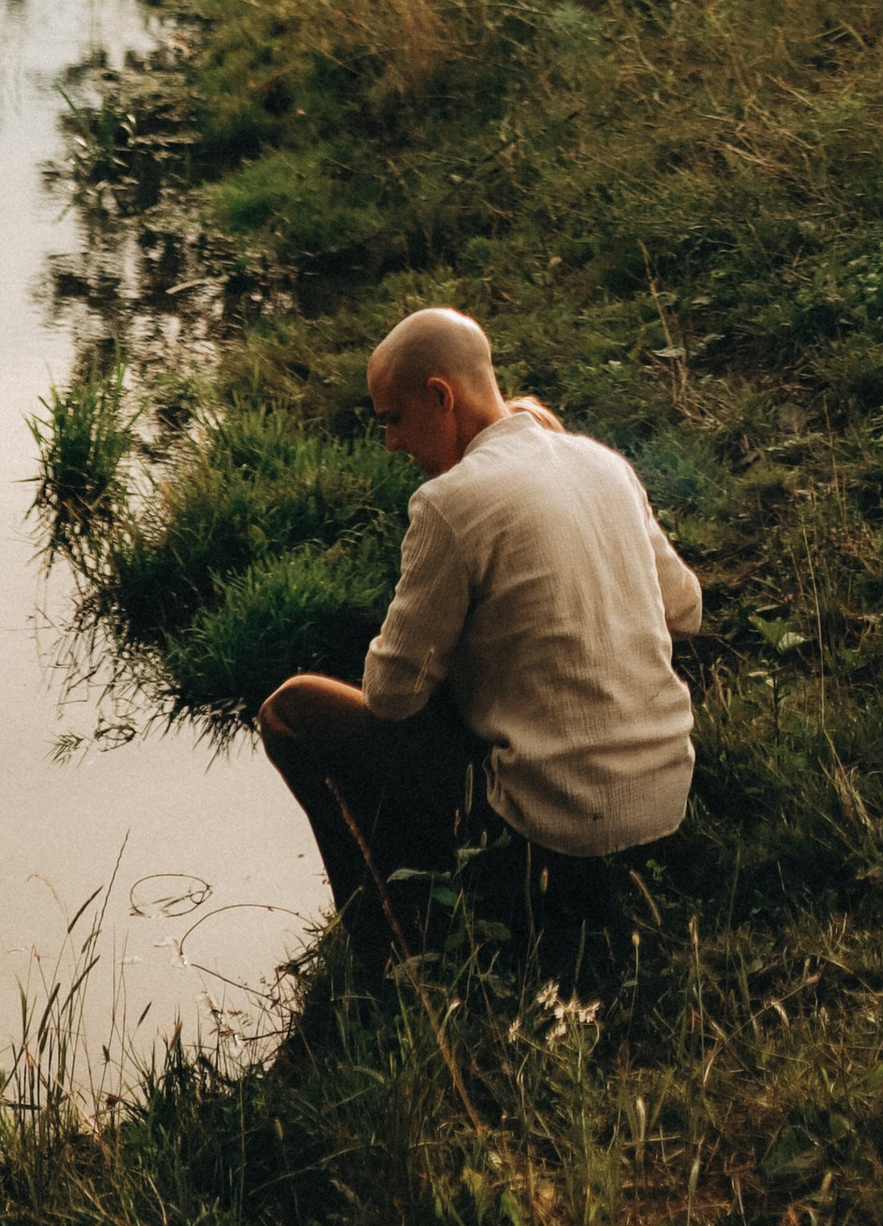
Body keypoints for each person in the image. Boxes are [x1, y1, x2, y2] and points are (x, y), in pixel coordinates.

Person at [258, 306, 702, 969]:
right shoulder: (605, 464)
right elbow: (687, 609)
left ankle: (387, 935)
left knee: (290, 709)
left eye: (393, 418)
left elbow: (392, 697)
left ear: (441, 396)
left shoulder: (450, 502)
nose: (391, 443)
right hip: (666, 802)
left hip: (554, 829)